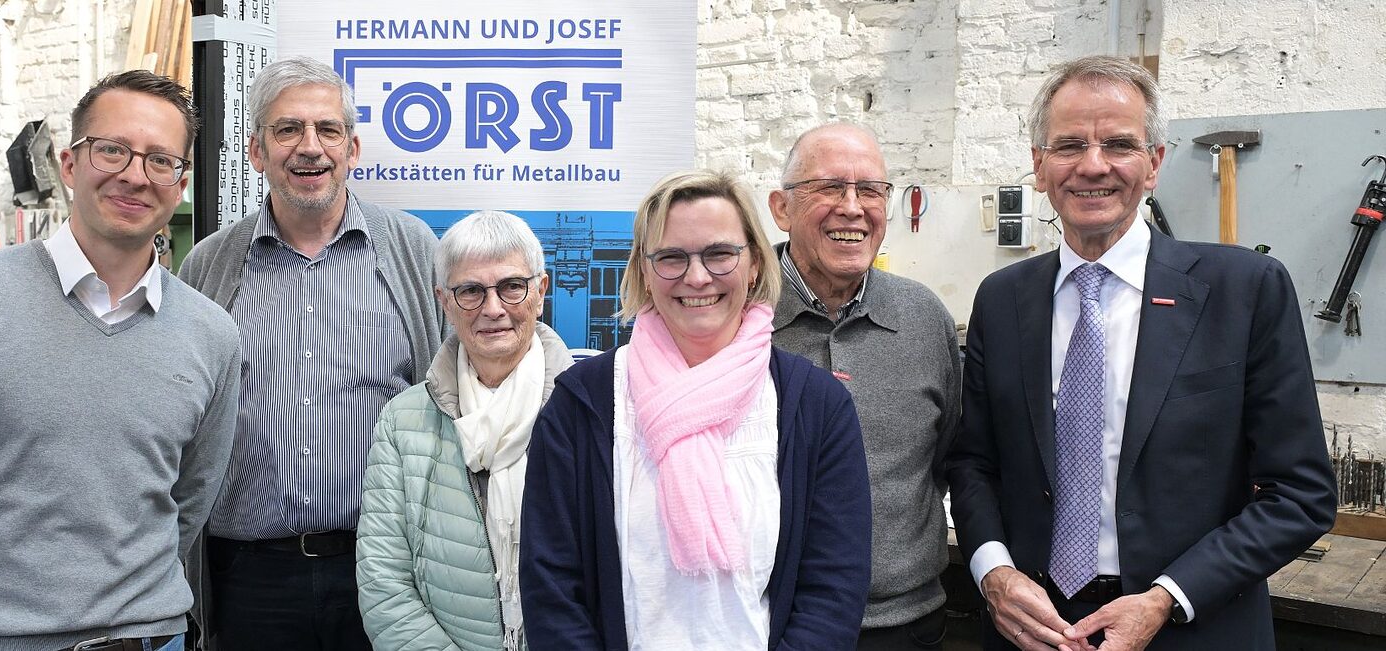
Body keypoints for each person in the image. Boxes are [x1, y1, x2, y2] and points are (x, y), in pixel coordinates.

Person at [945, 55, 1337, 651]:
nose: (1092, 165)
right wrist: (994, 573)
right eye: (1069, 145)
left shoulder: (1244, 291)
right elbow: (973, 463)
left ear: (1153, 163)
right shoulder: (1002, 300)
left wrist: (1166, 598)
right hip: (1033, 630)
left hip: (1193, 627)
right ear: (1039, 167)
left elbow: (1300, 495)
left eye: (1119, 144)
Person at [0, 70, 241, 651]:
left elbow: (189, 501)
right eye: (112, 149)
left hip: (147, 639)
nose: (134, 175)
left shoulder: (211, 334)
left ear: (180, 184)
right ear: (69, 164)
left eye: (160, 160)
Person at [520, 169, 871, 649]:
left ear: (754, 264)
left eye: (719, 254)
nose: (698, 276)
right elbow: (552, 586)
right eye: (671, 257)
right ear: (644, 272)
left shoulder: (816, 406)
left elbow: (833, 588)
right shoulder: (582, 404)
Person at [178, 56, 446, 650]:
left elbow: (453, 390)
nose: (310, 147)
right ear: (256, 151)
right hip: (248, 579)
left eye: (328, 130)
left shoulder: (412, 251)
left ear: (353, 148)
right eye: (287, 130)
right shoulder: (208, 266)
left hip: (386, 570)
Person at [767, 122, 961, 649]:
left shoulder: (924, 318)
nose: (852, 208)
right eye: (830, 187)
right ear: (781, 208)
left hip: (906, 624)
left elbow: (945, 457)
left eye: (871, 190)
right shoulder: (739, 315)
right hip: (771, 621)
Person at [356, 210, 570, 650]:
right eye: (470, 290)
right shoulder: (402, 422)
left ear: (540, 291)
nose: (493, 309)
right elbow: (384, 581)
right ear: (444, 301)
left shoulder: (587, 411)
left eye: (512, 286)